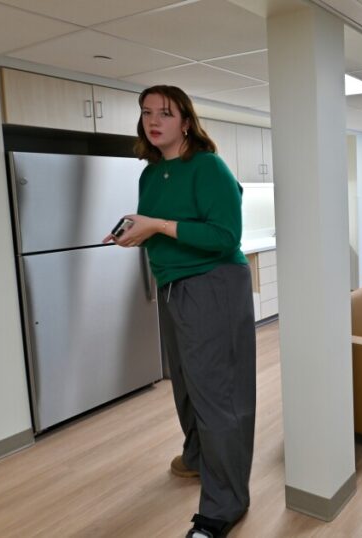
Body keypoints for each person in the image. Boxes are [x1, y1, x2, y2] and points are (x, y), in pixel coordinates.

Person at [104, 85, 255, 538]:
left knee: (217, 395)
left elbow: (223, 236)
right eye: (147, 113)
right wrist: (137, 232)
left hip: (213, 285)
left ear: (185, 121)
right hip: (171, 286)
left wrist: (156, 226)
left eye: (165, 114)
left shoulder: (207, 167)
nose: (154, 121)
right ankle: (197, 457)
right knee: (185, 386)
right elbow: (164, 228)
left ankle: (223, 506)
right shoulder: (150, 175)